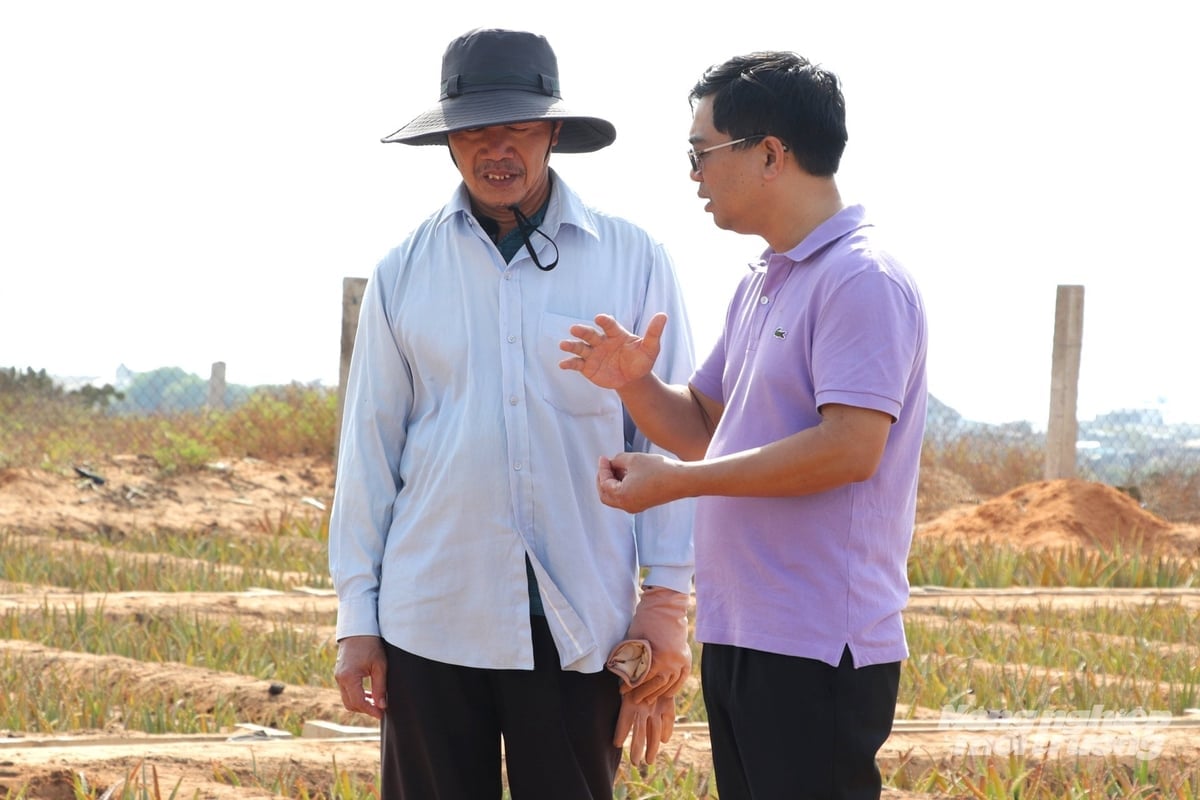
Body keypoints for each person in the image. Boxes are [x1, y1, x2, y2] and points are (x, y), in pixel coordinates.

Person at [327, 27, 695, 800]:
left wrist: (665, 600)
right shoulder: (405, 272)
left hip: (576, 622)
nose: (499, 149)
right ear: (450, 143)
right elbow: (370, 452)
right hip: (432, 617)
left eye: (520, 128)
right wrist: (357, 617)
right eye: (477, 131)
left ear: (554, 132)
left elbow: (673, 445)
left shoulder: (632, 259)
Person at [559, 50, 928, 800]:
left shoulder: (862, 279)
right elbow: (706, 427)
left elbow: (851, 449)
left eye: (700, 152)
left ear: (770, 154)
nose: (692, 173)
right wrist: (632, 382)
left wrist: (681, 485)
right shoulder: (766, 279)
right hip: (743, 630)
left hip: (819, 642)